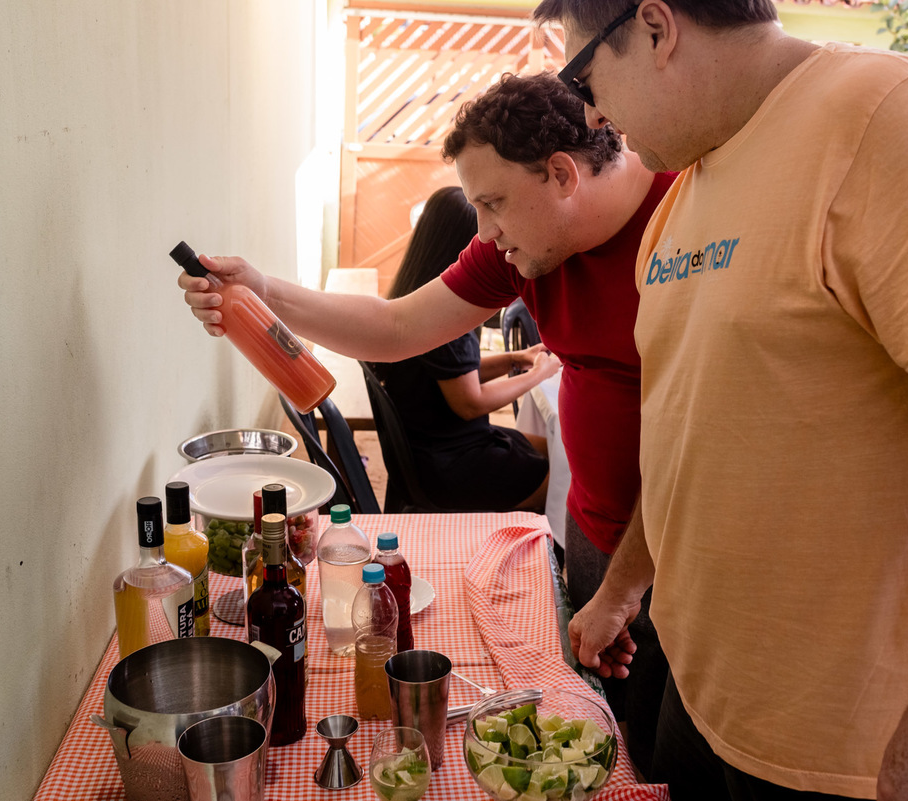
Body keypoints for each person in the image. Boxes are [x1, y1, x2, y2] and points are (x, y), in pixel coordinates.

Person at [532, 1, 908, 800]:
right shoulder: (685, 194)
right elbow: (692, 438)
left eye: (584, 76)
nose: (592, 111)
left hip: (848, 746)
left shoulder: (887, 118)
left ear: (654, 27)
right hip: (701, 694)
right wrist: (621, 588)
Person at [178, 71, 678, 773]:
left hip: (677, 547)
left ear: (563, 174)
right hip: (596, 528)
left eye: (493, 203)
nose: (485, 230)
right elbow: (396, 324)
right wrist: (262, 290)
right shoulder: (527, 244)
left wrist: (624, 590)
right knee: (611, 735)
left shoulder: (686, 218)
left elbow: (709, 447)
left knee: (668, 755)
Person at [375, 184, 560, 512]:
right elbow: (470, 403)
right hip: (452, 465)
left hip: (430, 451)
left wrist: (516, 358)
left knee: (556, 449)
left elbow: (456, 376)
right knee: (563, 477)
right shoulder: (446, 320)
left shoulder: (413, 298)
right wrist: (537, 375)